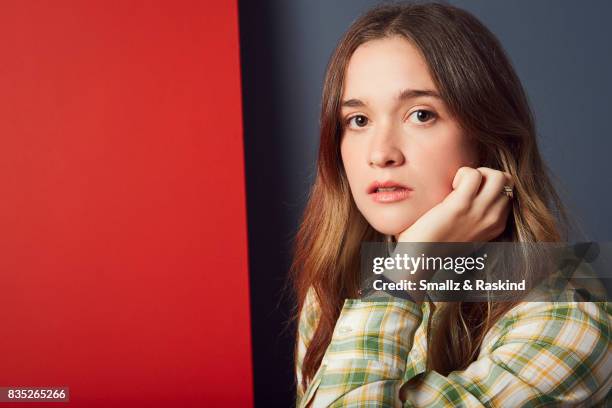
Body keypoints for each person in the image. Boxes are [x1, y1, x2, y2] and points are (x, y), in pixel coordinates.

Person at [289, 2, 611, 407]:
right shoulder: (337, 289)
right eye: (358, 120)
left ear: (489, 137)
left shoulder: (568, 320)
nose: (381, 153)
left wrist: (398, 281)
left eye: (421, 114)